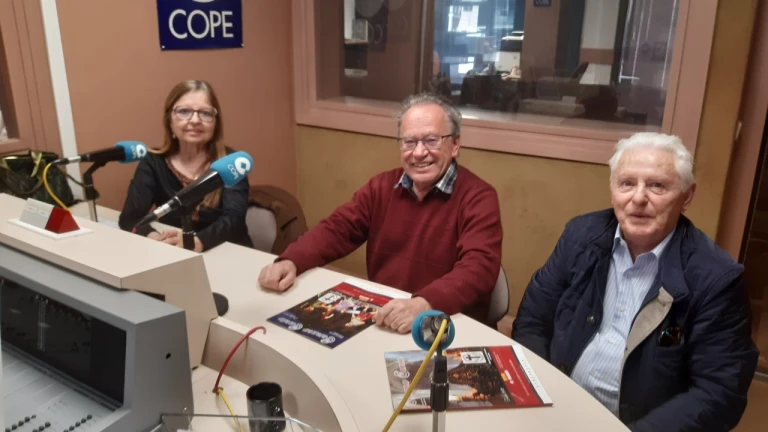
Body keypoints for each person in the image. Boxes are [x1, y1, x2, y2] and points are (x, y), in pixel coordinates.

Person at [511, 132, 759, 431]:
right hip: (556, 407)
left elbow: (718, 392)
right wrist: (539, 396)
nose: (638, 198)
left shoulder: (716, 278)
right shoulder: (579, 236)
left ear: (687, 196)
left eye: (657, 186)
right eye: (627, 183)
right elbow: (533, 321)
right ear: (612, 191)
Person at [258, 93, 502, 333]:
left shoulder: (478, 197)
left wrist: (424, 304)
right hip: (386, 319)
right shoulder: (381, 187)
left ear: (455, 144)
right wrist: (292, 259)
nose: (418, 152)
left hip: (447, 325)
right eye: (409, 142)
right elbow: (337, 229)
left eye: (431, 140)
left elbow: (479, 269)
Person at [118, 80, 252, 252]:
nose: (195, 120)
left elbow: (234, 220)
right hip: (173, 253)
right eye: (184, 111)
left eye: (205, 113)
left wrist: (197, 242)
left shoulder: (232, 163)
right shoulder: (153, 162)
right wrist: (155, 238)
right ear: (169, 121)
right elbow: (130, 217)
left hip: (228, 253)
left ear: (215, 123)